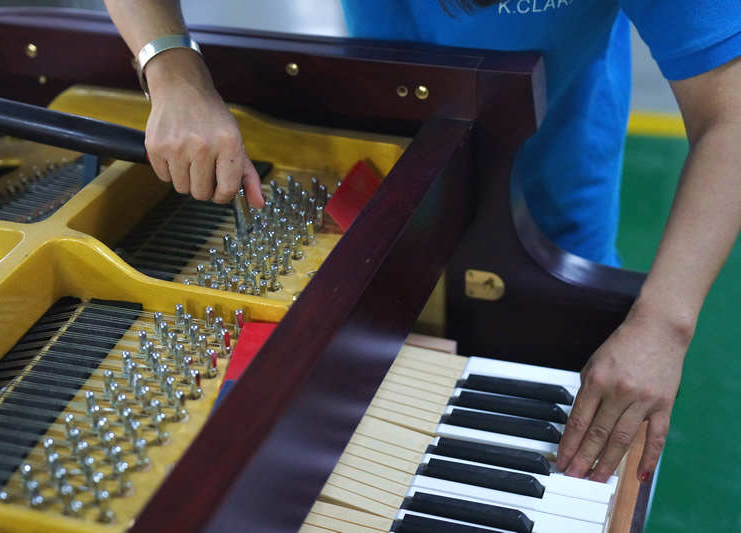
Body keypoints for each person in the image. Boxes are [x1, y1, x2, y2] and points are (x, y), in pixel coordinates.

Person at [104, 0, 741, 485]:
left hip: (554, 189)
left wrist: (664, 324)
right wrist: (172, 68)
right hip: (394, 178)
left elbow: (731, 112)